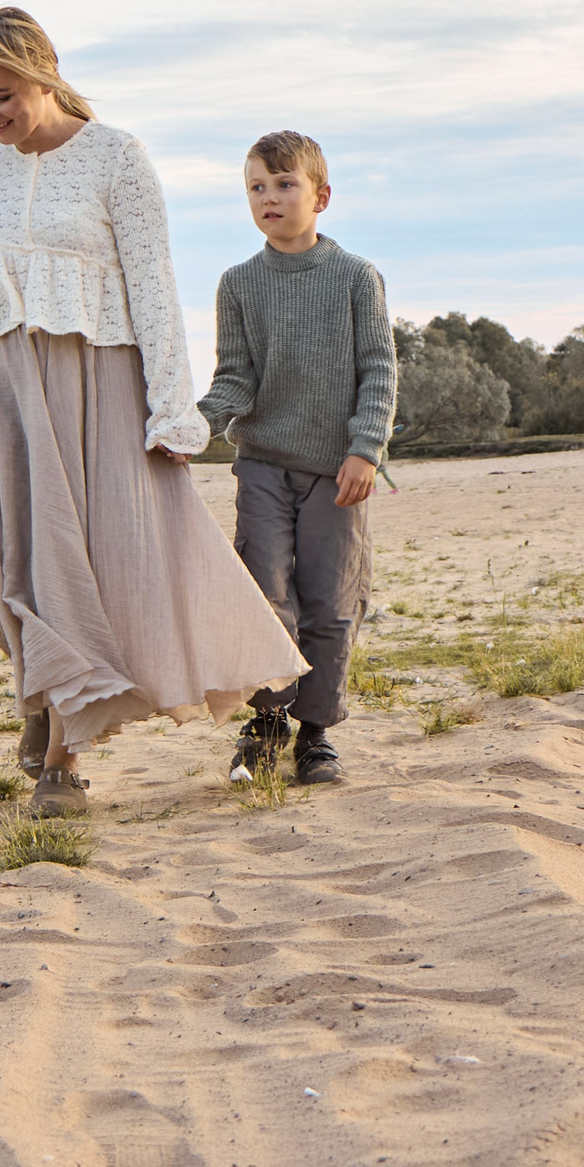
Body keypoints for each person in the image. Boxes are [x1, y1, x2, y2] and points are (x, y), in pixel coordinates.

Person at [0, 8, 305, 817]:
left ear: (43, 74)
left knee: (75, 572)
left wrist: (170, 409)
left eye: (1, 95)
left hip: (97, 383)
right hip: (4, 385)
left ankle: (63, 762)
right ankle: (46, 694)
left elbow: (153, 288)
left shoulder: (118, 157)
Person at [195, 131, 397, 786]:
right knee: (263, 593)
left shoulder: (356, 278)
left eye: (285, 185)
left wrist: (366, 449)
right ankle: (267, 721)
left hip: (338, 472)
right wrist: (190, 426)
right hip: (262, 464)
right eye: (256, 186)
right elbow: (234, 381)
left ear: (322, 196)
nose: (269, 197)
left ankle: (315, 735)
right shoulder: (238, 285)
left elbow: (378, 373)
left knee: (331, 604)